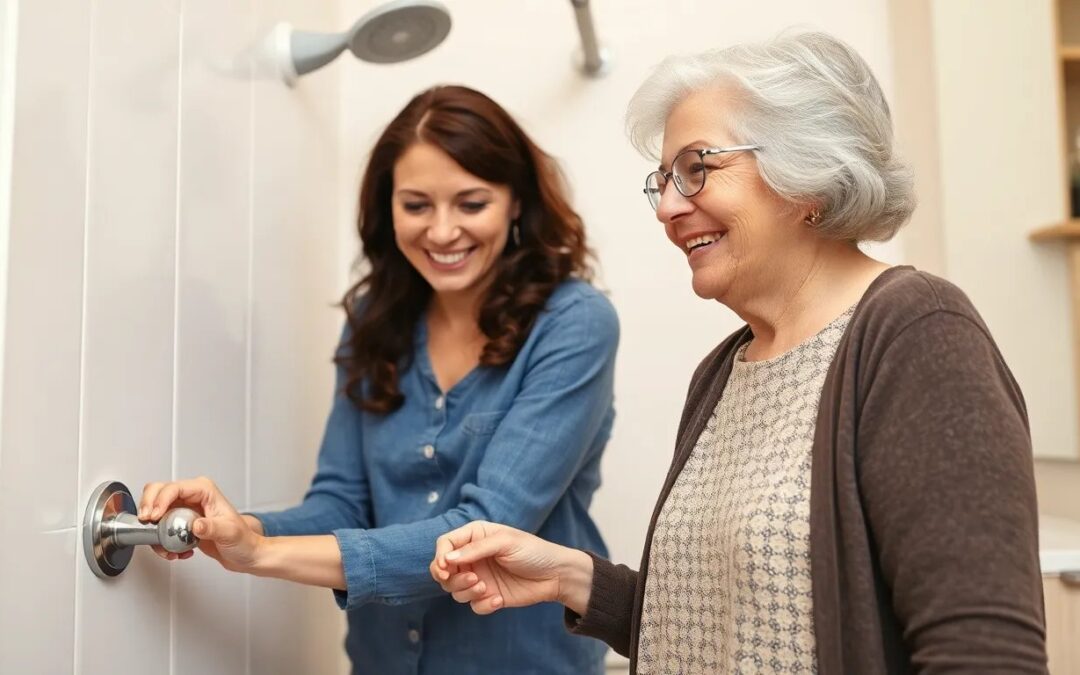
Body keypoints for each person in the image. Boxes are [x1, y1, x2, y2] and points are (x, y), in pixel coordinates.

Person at [430, 32, 1047, 674]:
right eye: (663, 180)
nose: (668, 207)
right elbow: (726, 623)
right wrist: (574, 576)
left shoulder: (918, 333)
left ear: (806, 171)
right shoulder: (726, 370)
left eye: (697, 168)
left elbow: (983, 653)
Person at [138, 85, 618, 675]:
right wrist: (238, 527)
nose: (442, 232)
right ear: (386, 208)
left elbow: (485, 530)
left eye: (471, 204)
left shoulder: (575, 326)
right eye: (416, 205)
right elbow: (341, 501)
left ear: (516, 202)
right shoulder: (373, 321)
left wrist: (261, 554)